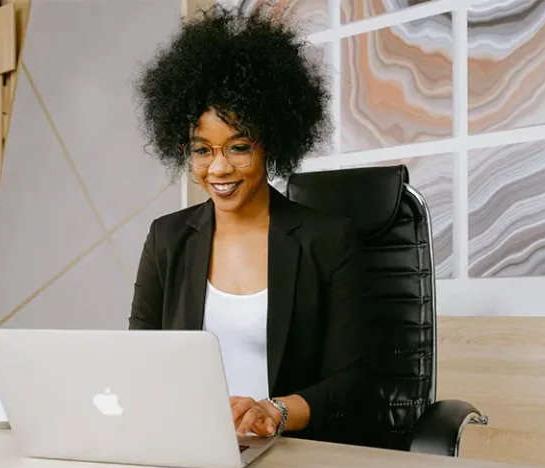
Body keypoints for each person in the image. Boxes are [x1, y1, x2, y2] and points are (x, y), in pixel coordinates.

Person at [129, 6, 371, 445]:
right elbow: (140, 357)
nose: (218, 168)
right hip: (190, 444)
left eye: (238, 147)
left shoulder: (328, 241)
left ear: (271, 143)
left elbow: (353, 381)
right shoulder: (168, 238)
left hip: (296, 450)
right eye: (202, 150)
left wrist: (274, 411)